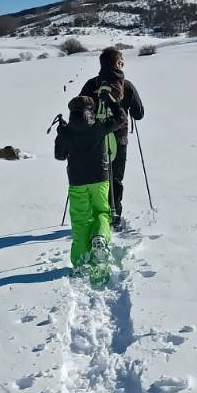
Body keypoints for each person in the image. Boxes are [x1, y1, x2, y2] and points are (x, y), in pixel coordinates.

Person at [54, 92, 126, 270]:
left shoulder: (67, 132)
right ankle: (100, 237)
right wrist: (112, 102)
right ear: (91, 110)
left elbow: (60, 156)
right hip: (100, 180)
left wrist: (61, 133)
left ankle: (80, 260)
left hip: (77, 182)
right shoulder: (99, 127)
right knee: (102, 212)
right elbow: (121, 119)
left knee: (80, 221)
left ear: (72, 112)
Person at [80, 47, 144, 229]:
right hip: (119, 137)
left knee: (96, 178)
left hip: (95, 138)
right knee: (115, 178)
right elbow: (139, 114)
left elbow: (79, 110)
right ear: (119, 63)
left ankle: (97, 215)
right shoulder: (127, 86)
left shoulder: (91, 84)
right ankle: (114, 215)